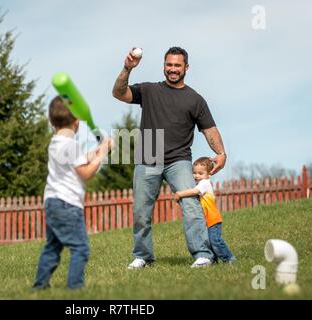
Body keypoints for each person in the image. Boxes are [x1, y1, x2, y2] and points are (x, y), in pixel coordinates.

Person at [112, 46, 227, 269]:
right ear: (164, 66)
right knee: (141, 211)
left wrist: (221, 153)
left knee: (191, 203)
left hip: (179, 160)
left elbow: (209, 129)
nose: (172, 69)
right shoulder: (149, 90)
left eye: (177, 65)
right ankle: (143, 256)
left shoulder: (195, 100)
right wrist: (127, 68)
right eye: (169, 65)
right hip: (148, 158)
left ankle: (203, 254)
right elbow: (118, 93)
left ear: (186, 68)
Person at [32, 96, 113, 290]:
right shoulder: (71, 145)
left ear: (52, 121)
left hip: (52, 203)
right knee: (80, 248)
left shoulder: (56, 143)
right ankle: (75, 289)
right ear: (77, 122)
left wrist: (98, 149)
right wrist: (101, 155)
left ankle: (40, 286)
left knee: (52, 247)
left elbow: (80, 159)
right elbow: (85, 172)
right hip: (67, 205)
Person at [174, 157, 236, 263]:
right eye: (194, 173)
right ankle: (214, 260)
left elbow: (195, 191)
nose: (197, 176)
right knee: (210, 242)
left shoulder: (204, 183)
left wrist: (180, 194)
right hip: (208, 220)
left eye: (200, 173)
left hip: (213, 219)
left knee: (215, 241)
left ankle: (229, 258)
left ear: (209, 174)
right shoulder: (201, 182)